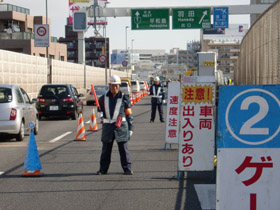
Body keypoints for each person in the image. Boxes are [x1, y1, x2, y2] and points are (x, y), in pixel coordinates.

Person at [96, 75, 134, 175]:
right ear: (109, 85)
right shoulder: (102, 98)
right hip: (108, 128)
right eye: (113, 86)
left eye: (117, 86)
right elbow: (100, 112)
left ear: (119, 86)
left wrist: (131, 128)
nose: (115, 88)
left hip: (121, 128)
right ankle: (103, 169)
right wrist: (99, 115)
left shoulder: (125, 98)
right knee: (105, 151)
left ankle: (127, 169)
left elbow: (129, 113)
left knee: (124, 150)